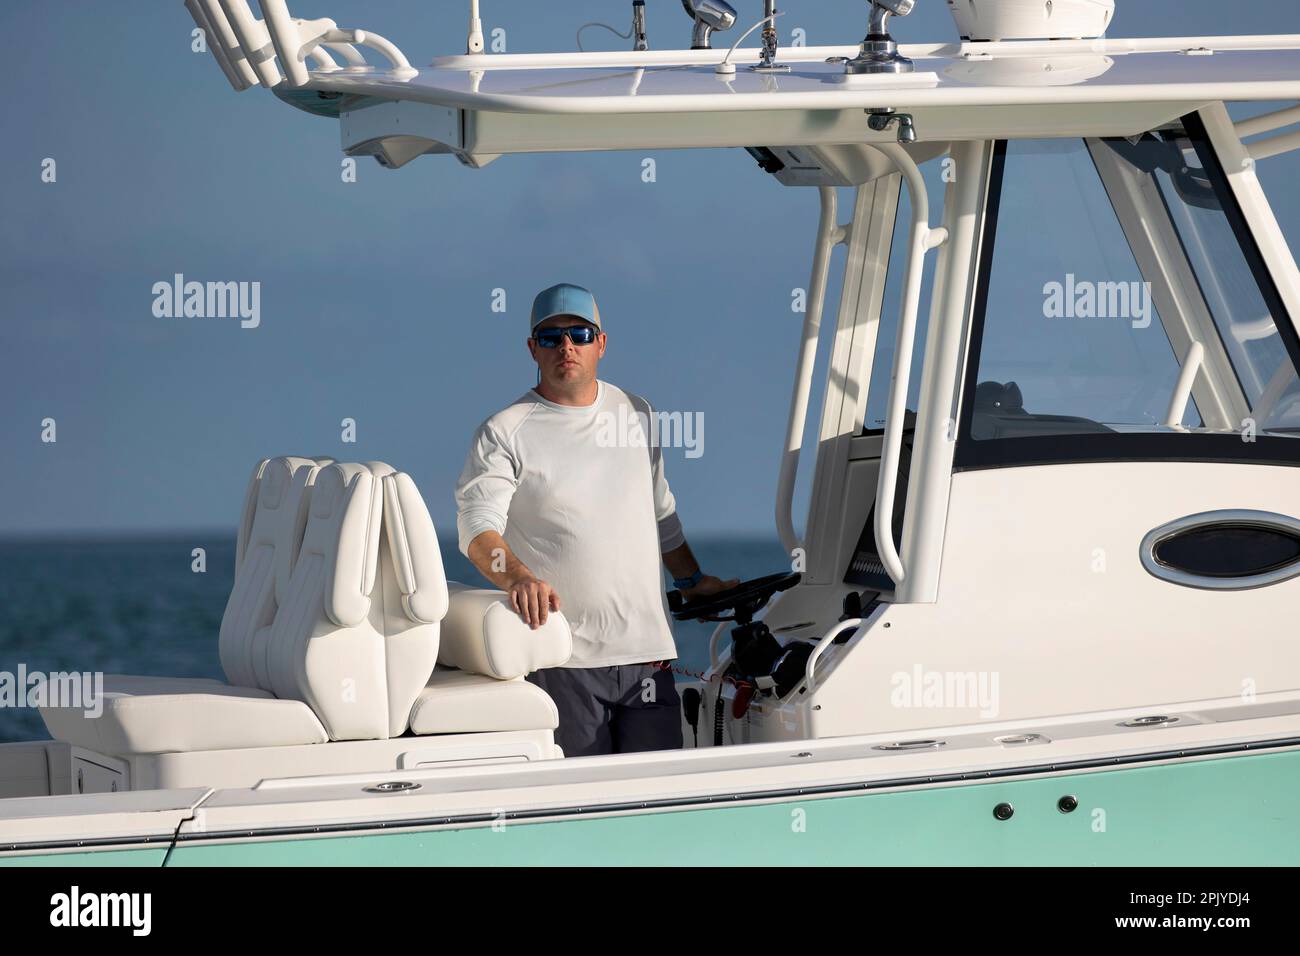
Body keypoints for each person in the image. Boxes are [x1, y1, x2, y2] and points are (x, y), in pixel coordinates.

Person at [454, 282, 737, 757]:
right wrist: (519, 578)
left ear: (600, 344)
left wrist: (691, 579)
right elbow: (477, 532)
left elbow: (660, 511)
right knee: (579, 812)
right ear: (532, 349)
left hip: (649, 659)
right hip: (564, 661)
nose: (567, 346)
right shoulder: (504, 431)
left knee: (655, 808)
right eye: (551, 337)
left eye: (580, 334)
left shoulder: (637, 413)